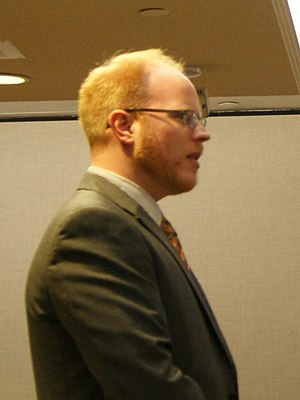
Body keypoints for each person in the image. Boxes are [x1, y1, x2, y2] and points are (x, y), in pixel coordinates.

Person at [25, 48, 239, 400]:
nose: (202, 134)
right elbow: (150, 387)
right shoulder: (93, 227)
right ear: (124, 126)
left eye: (201, 119)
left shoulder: (133, 224)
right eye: (184, 117)